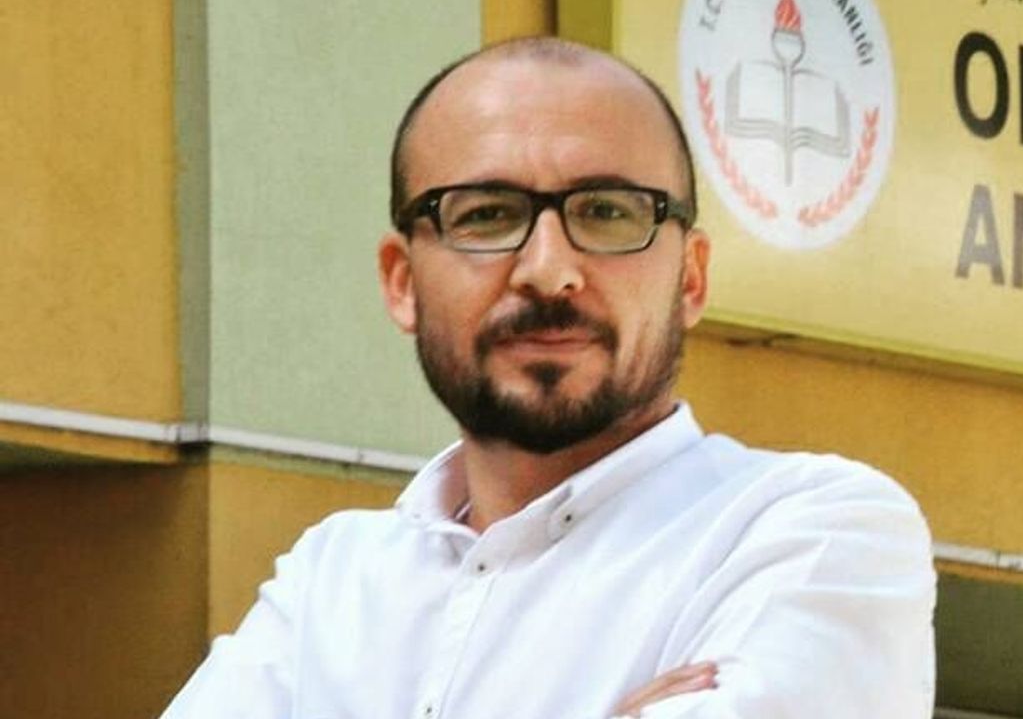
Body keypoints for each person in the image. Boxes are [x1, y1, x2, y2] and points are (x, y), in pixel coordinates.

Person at [161, 37, 935, 719]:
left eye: (607, 212)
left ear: (691, 278)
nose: (548, 269)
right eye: (486, 214)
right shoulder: (332, 583)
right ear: (402, 282)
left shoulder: (807, 530)